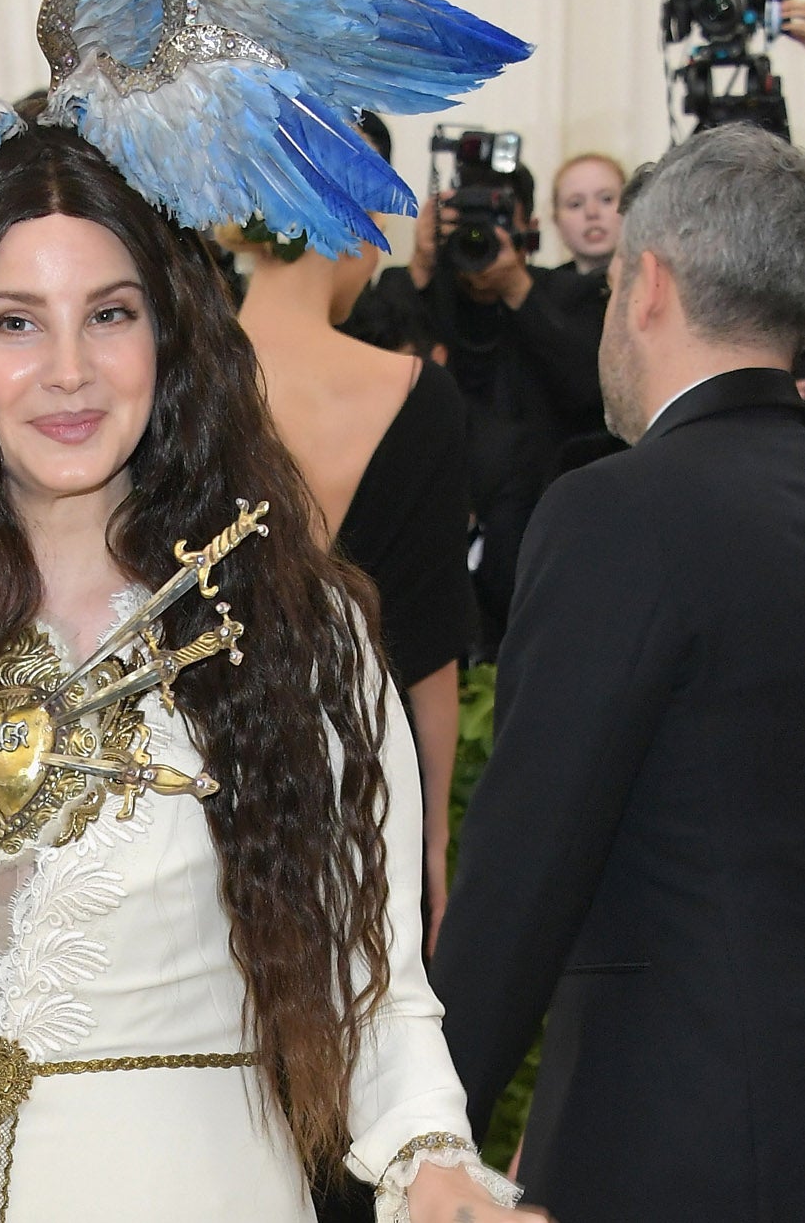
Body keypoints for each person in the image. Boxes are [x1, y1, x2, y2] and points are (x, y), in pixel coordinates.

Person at [0, 126, 522, 1223]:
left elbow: (378, 991)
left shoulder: (300, 631)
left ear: (168, 332)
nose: (69, 369)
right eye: (16, 322)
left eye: (110, 314)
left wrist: (433, 1166)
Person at [430, 123, 805, 1223]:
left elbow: (526, 859)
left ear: (645, 285)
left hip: (679, 1137)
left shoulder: (620, 513)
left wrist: (418, 1142)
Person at [233, 225, 474, 954]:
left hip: (201, 773)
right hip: (363, 783)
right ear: (348, 230)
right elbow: (427, 655)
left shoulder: (170, 379)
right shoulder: (415, 395)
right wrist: (431, 842)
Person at [371, 166, 605, 652]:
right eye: (466, 225)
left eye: (498, 220)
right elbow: (369, 347)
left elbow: (590, 392)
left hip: (539, 538)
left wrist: (518, 289)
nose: (481, 238)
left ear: (528, 229)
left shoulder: (568, 295)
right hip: (433, 542)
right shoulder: (422, 295)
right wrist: (421, 263)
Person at [548, 152, 624, 275]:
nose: (592, 212)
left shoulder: (659, 282)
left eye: (606, 199)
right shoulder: (544, 291)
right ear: (556, 219)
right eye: (575, 204)